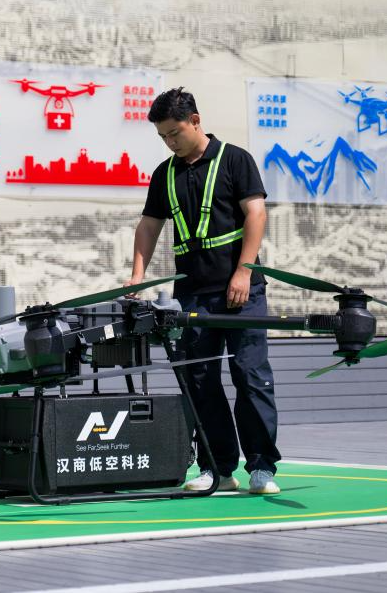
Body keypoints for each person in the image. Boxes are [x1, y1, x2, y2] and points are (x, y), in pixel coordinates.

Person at [125, 87, 281, 495]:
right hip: (193, 294)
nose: (169, 142)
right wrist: (137, 276)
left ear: (195, 121)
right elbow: (149, 225)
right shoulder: (165, 174)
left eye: (174, 133)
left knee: (250, 375)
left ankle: (262, 467)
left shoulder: (235, 159)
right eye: (163, 136)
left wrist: (244, 272)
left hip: (242, 291)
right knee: (200, 380)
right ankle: (217, 467)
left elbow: (256, 213)